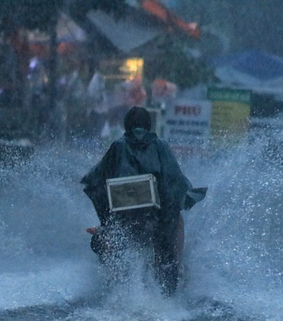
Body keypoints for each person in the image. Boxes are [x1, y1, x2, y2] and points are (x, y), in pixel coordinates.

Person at [81, 106, 206, 296]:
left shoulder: (118, 146)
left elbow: (96, 181)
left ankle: (114, 277)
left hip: (123, 217)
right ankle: (176, 266)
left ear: (126, 125)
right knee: (178, 221)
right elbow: (175, 182)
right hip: (155, 217)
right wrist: (181, 201)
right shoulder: (160, 146)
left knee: (105, 232)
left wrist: (105, 220)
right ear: (149, 125)